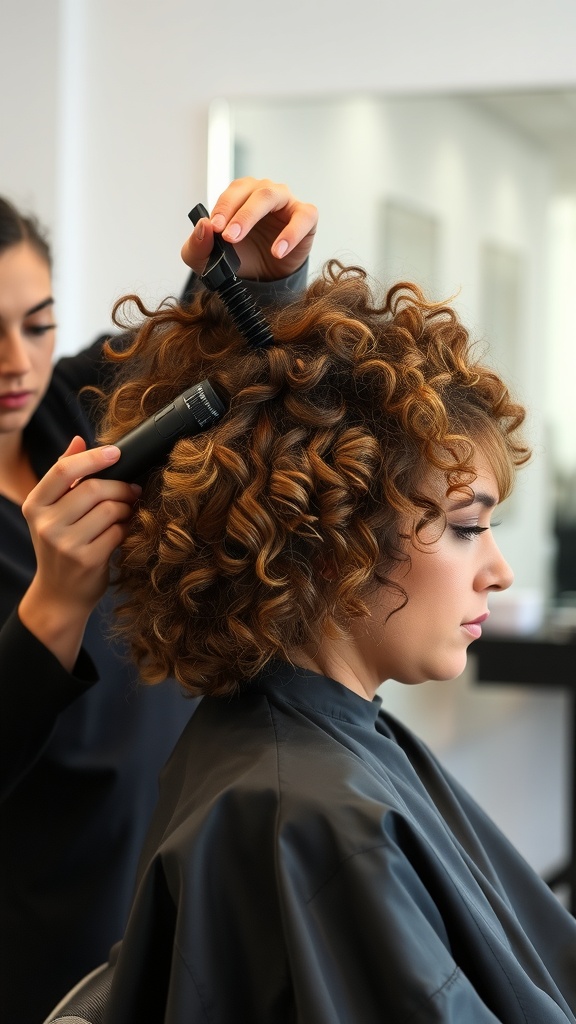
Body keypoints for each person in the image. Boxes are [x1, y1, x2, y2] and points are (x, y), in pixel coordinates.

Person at [47, 256, 576, 1023]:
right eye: (466, 529)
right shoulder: (315, 815)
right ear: (335, 548)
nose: (498, 569)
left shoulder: (284, 758)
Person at [0, 178, 317, 1023]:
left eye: (37, 325)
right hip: (44, 947)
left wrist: (262, 273)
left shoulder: (72, 409)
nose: (16, 363)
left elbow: (206, 349)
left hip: (184, 885)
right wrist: (54, 604)